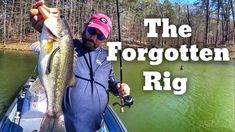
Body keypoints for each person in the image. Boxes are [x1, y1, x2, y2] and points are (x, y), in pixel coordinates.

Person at [29, 1, 131, 132]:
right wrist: (43, 25)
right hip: (66, 127)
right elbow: (58, 39)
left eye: (100, 36)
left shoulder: (106, 58)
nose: (94, 38)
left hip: (97, 128)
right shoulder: (71, 46)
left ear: (104, 39)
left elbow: (111, 81)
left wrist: (119, 87)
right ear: (85, 26)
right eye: (91, 31)